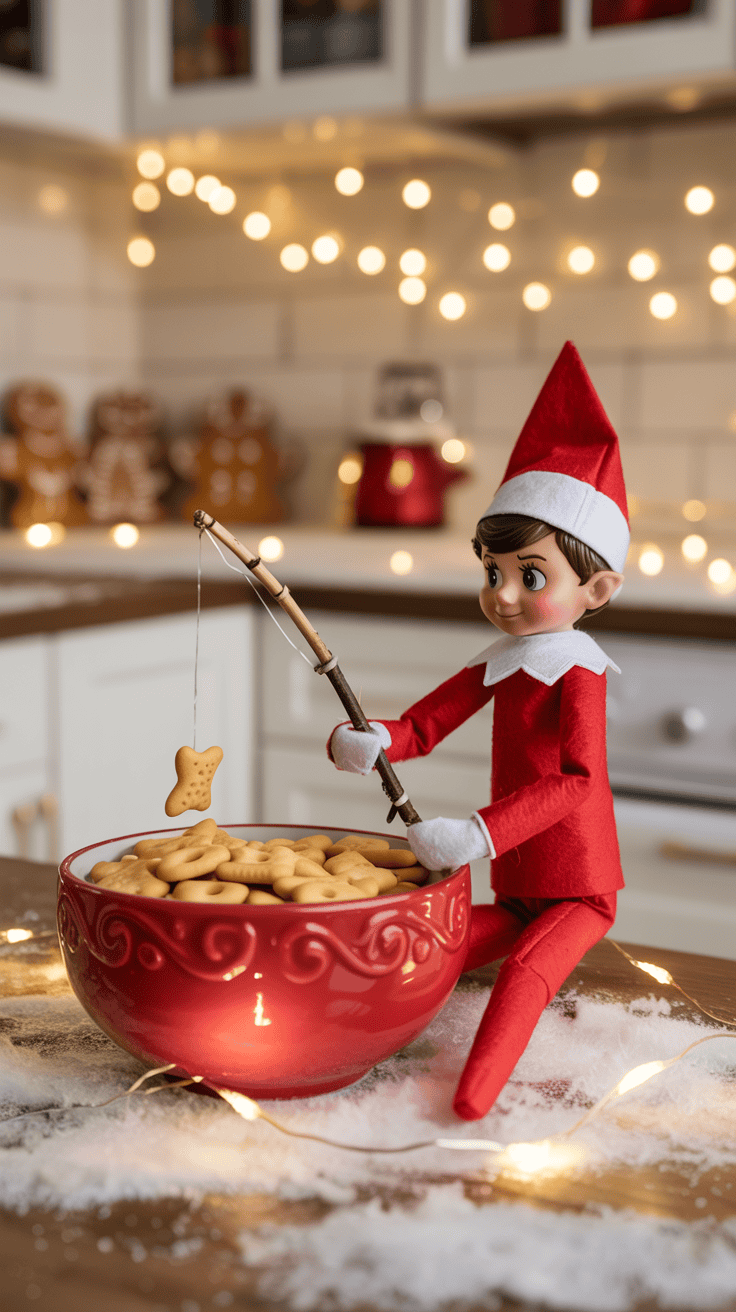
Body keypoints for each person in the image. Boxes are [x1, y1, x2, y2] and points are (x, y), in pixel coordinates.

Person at [328, 341, 630, 1121]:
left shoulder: (578, 671)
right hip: (519, 884)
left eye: (530, 576)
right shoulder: (504, 658)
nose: (502, 594)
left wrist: (479, 834)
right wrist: (379, 739)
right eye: (491, 572)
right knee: (425, 948)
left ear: (595, 588)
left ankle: (467, 1101)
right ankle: (328, 1040)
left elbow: (579, 782)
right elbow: (429, 720)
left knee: (524, 975)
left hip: (579, 890)